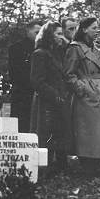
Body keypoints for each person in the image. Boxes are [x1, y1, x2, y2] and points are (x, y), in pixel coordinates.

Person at [64, 17, 100, 175]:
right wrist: (82, 89)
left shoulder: (96, 49)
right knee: (88, 133)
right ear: (84, 29)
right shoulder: (75, 48)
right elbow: (69, 74)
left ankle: (97, 164)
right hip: (86, 97)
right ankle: (87, 167)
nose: (97, 31)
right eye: (94, 28)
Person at [29, 21, 70, 173]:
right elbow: (37, 81)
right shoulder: (39, 54)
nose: (62, 37)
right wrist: (55, 95)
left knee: (59, 134)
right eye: (58, 34)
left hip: (59, 100)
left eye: (62, 34)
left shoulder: (57, 54)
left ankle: (60, 168)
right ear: (48, 35)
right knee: (46, 135)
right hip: (46, 102)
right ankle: (44, 169)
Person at [8, 19, 42, 132]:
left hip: (39, 93)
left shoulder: (43, 50)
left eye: (41, 33)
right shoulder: (16, 48)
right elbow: (14, 73)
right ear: (28, 31)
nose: (39, 36)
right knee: (21, 127)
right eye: (36, 32)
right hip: (22, 94)